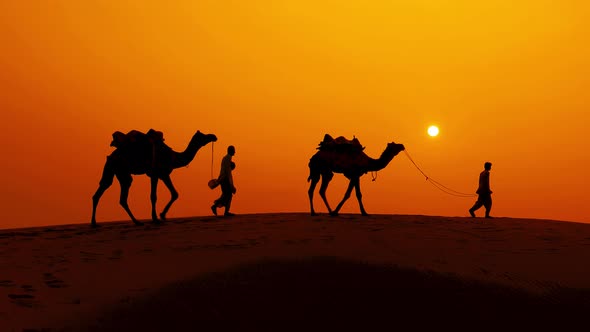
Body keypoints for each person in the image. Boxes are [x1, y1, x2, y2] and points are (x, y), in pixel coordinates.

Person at [211, 145, 237, 217]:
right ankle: (222, 209)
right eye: (233, 150)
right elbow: (227, 172)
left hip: (223, 179)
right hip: (225, 180)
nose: (234, 152)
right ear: (231, 151)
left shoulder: (226, 158)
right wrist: (231, 185)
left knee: (226, 195)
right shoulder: (227, 158)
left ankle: (221, 209)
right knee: (228, 195)